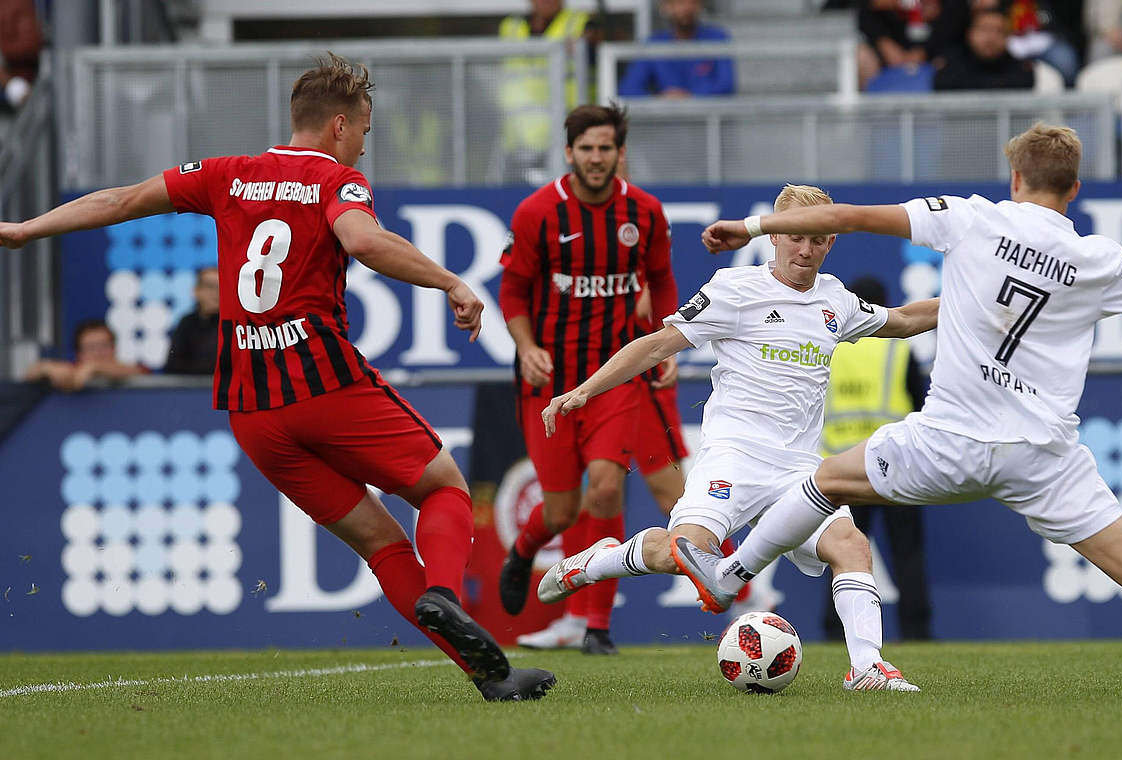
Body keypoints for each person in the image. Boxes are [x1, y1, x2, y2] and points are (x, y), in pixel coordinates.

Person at [679, 123, 1122, 707]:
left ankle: (730, 575)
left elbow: (851, 217)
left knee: (821, 483)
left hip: (948, 440)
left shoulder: (974, 219)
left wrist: (753, 229)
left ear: (1014, 178)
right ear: (1073, 189)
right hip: (1043, 457)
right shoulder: (1097, 260)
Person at [0, 53, 555, 702]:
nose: (363, 151)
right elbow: (365, 241)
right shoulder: (337, 183)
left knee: (381, 544)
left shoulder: (225, 175)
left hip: (253, 412)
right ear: (340, 126)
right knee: (444, 488)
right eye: (365, 135)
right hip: (322, 385)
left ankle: (488, 678)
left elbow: (120, 199)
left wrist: (24, 230)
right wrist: (451, 281)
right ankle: (447, 597)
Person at [537, 183, 939, 691]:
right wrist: (583, 392)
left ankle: (867, 669)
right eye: (795, 237)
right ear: (773, 236)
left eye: (817, 240)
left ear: (831, 242)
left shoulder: (835, 299)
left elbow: (902, 320)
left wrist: (970, 300)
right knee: (681, 552)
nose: (805, 249)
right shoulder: (734, 289)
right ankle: (599, 561)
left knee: (851, 545)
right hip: (735, 456)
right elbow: (657, 344)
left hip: (799, 468)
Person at [497, 102, 678, 656]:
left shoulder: (644, 213)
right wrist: (526, 347)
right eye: (587, 149)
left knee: (604, 485)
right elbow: (512, 292)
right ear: (569, 152)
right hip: (548, 383)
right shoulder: (537, 213)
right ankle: (525, 550)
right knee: (560, 512)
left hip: (612, 378)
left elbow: (663, 280)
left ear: (619, 154)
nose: (596, 158)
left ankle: (596, 624)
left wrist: (666, 339)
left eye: (606, 149)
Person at [516, 283, 691, 651]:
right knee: (586, 493)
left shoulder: (638, 231)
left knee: (673, 498)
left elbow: (648, 295)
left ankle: (746, 597)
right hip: (595, 375)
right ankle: (578, 617)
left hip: (639, 374)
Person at [820, 275, 931, 642]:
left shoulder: (831, 347)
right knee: (908, 553)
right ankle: (917, 632)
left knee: (840, 550)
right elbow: (921, 408)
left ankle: (836, 632)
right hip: (895, 465)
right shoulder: (898, 350)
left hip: (841, 469)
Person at [497, 0, 592, 182]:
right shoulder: (510, 27)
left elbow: (596, 44)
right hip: (518, 135)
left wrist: (585, 42)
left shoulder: (579, 22)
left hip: (566, 132)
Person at [619, 0, 735, 98]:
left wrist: (690, 96)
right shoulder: (654, 43)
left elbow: (726, 85)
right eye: (678, 3)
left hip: (709, 121)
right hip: (665, 120)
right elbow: (628, 88)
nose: (686, 8)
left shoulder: (717, 38)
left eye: (691, 2)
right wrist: (659, 99)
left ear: (699, 5)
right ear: (666, 7)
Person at [24, 319, 147, 391]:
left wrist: (95, 368)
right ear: (80, 354)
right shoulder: (73, 371)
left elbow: (138, 372)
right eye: (91, 347)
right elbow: (30, 374)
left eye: (104, 345)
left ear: (114, 348)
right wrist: (47, 367)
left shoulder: (126, 370)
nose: (99, 353)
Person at [933, 8, 1035, 91]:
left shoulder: (1021, 69)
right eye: (984, 29)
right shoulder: (950, 68)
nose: (991, 38)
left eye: (999, 31)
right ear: (970, 34)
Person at [164, 267, 221, 375]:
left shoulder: (234, 324)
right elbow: (172, 364)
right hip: (190, 390)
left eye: (221, 287)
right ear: (196, 291)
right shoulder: (187, 323)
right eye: (210, 287)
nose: (216, 293)